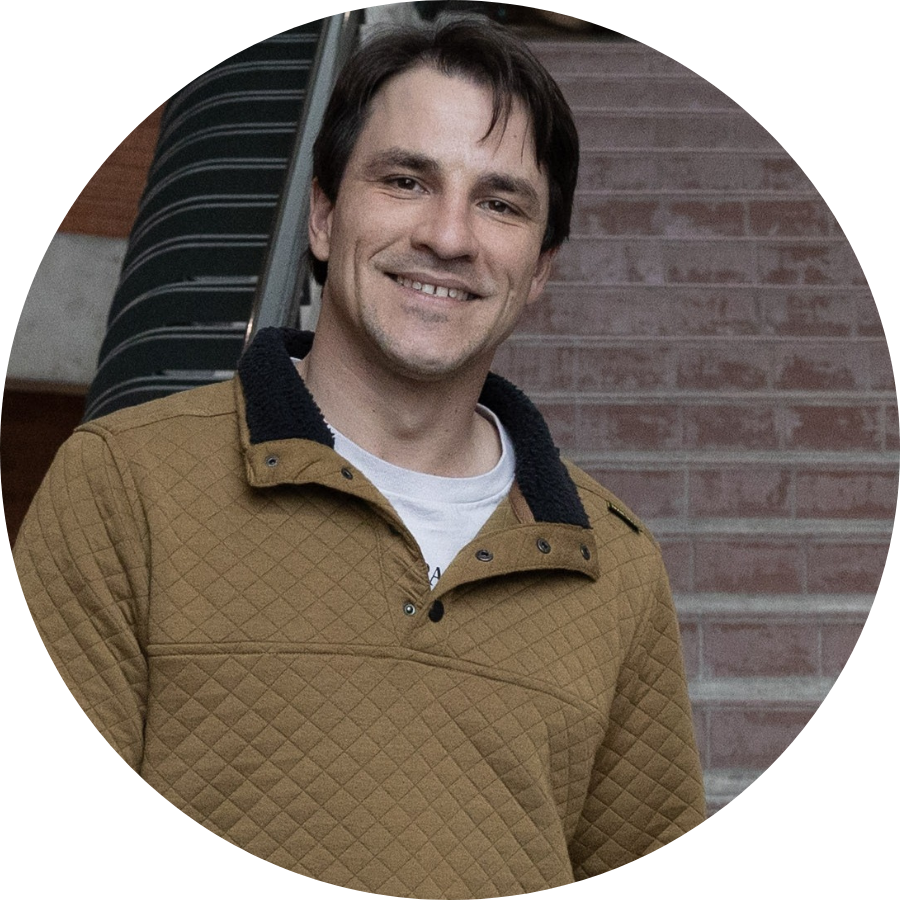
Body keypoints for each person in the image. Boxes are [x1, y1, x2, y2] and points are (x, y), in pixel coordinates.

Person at [14, 15, 705, 897]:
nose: (449, 237)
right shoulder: (122, 484)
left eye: (499, 202)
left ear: (539, 270)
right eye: (407, 180)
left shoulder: (618, 570)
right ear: (325, 215)